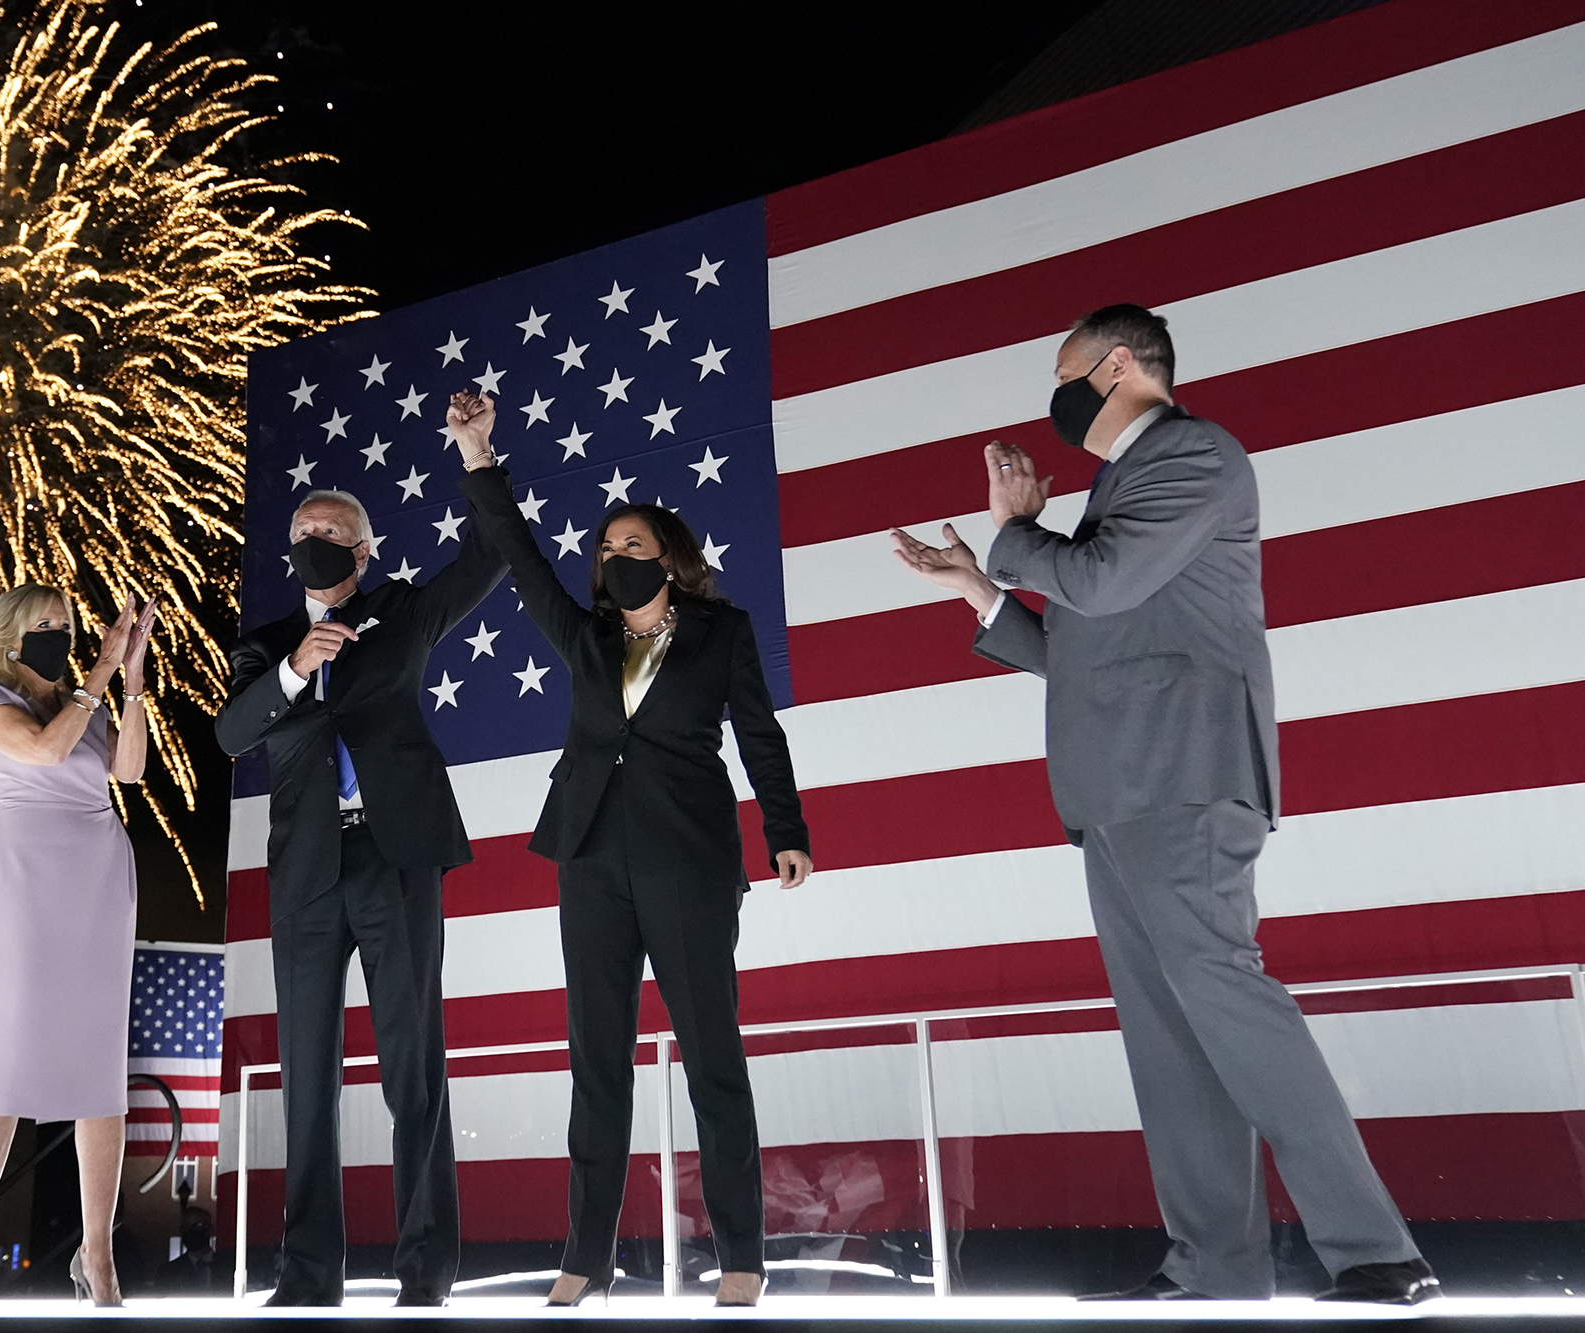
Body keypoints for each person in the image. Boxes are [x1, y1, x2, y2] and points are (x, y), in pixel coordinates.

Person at [891, 304, 1436, 1305]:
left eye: (1063, 375)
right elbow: (1081, 649)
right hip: (1116, 791)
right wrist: (980, 587)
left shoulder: (1193, 454)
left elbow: (1097, 585)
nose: (1055, 401)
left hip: (1181, 779)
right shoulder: (1117, 487)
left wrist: (1014, 533)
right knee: (1169, 1042)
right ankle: (1213, 1266)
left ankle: (1373, 1252)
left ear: (1117, 366)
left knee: (1228, 1002)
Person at [448, 391, 812, 1308]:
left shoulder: (722, 632)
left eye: (633, 547)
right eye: (606, 549)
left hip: (689, 861)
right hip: (591, 863)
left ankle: (741, 1257)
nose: (614, 558)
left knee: (713, 1057)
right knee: (595, 1062)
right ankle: (585, 1256)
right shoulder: (585, 634)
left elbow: (760, 736)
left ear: (671, 561)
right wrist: (478, 457)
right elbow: (522, 556)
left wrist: (786, 832)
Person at [213, 484, 506, 1306]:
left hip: (395, 851)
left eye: (334, 532)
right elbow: (231, 733)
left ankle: (425, 1269)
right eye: (304, 529)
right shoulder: (266, 643)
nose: (317, 539)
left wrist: (477, 462)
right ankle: (308, 1274)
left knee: (414, 1066)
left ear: (364, 551)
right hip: (306, 873)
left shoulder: (402, 613)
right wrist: (295, 668)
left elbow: (488, 558)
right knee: (307, 1073)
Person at [0, 585, 157, 1307]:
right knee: (8, 1055)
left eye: (66, 627)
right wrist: (98, 671)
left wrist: (131, 677)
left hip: (99, 873)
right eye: (46, 626)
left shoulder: (84, 698)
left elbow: (127, 771)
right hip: (28, 877)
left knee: (101, 1062)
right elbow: (43, 748)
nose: (59, 636)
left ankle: (97, 1254)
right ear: (8, 633)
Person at [153, 1206, 219, 1293]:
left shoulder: (228, 1267)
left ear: (210, 1229)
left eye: (197, 1225)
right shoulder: (168, 1273)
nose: (190, 1231)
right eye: (185, 1227)